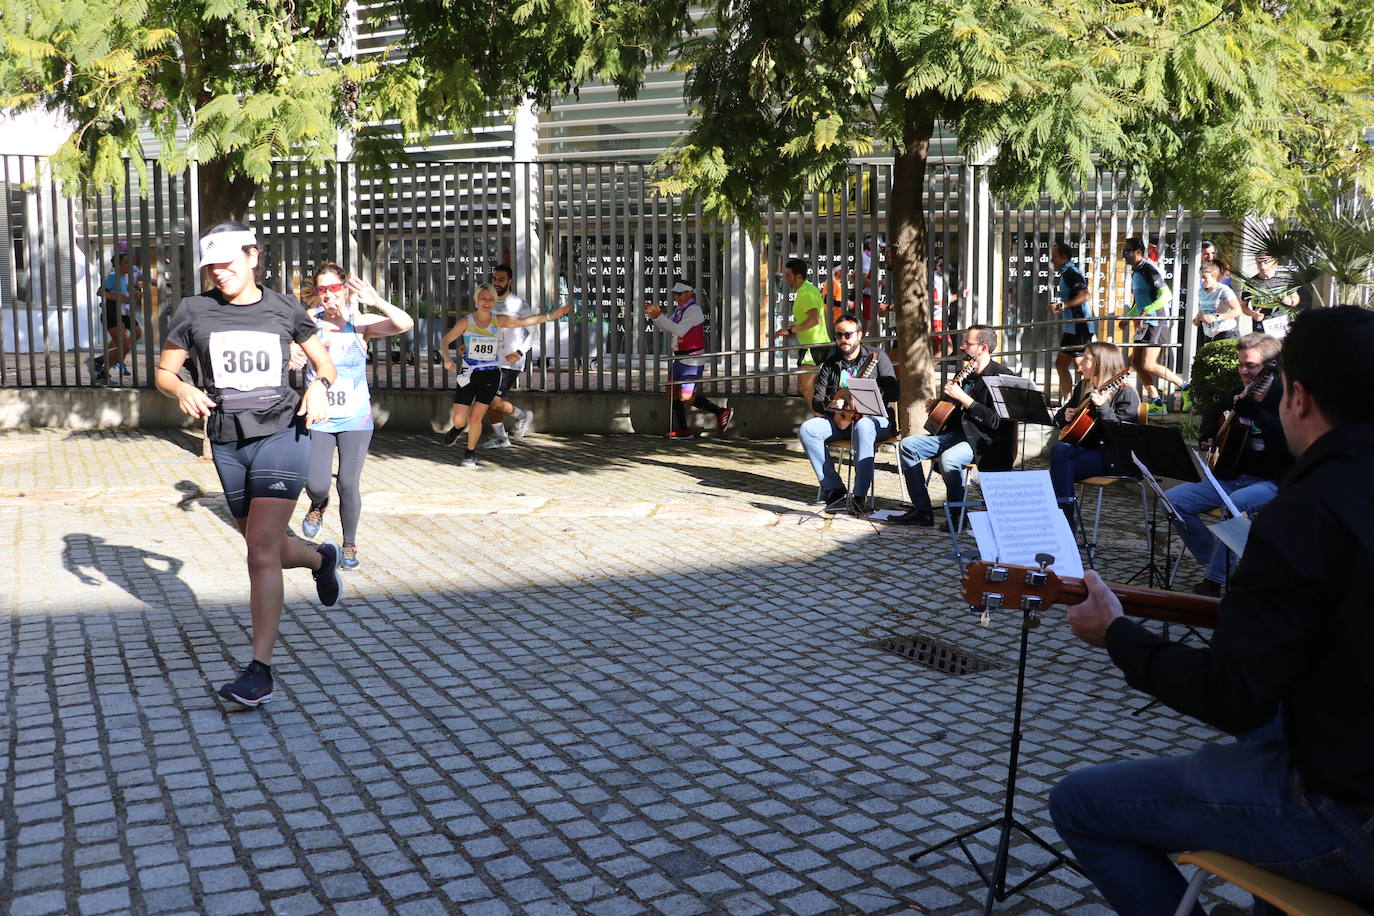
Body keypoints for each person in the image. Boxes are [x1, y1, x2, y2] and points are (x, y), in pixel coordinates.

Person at [1049, 305, 1374, 916]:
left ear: (1299, 398)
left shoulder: (1304, 517)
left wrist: (1117, 633)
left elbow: (1234, 696)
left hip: (1350, 813)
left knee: (1080, 804)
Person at [155, 222, 342, 709]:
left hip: (284, 433)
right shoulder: (194, 310)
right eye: (211, 266)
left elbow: (325, 364)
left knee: (258, 550)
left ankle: (259, 671)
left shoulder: (283, 307)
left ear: (253, 256)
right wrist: (184, 389)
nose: (220, 273)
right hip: (226, 443)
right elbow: (164, 371)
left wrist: (319, 386)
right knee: (267, 546)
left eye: (228, 263)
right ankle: (321, 558)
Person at [295, 263, 413, 572]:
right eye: (322, 290)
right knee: (317, 484)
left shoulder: (360, 323)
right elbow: (292, 350)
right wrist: (293, 355)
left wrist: (378, 301)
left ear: (345, 289)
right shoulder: (309, 322)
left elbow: (404, 324)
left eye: (334, 288)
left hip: (356, 419)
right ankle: (318, 504)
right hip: (320, 416)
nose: (329, 296)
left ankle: (349, 544)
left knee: (348, 483)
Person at [1165, 332, 1289, 597]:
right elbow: (1212, 416)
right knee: (1173, 500)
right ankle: (1214, 560)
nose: (1243, 371)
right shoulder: (1237, 393)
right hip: (1231, 476)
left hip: (1272, 481)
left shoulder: (1285, 398)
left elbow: (1286, 440)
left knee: (1237, 503)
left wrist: (1256, 414)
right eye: (1241, 365)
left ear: (1270, 367)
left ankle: (1214, 580)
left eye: (1251, 366)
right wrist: (1207, 435)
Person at [890, 324, 1017, 527]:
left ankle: (958, 516)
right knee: (908, 445)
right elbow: (955, 414)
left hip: (983, 440)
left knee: (949, 459)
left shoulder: (1002, 377)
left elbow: (996, 422)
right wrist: (938, 407)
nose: (962, 347)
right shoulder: (965, 373)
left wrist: (965, 399)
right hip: (957, 435)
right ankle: (922, 511)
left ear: (983, 348)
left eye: (967, 343)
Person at [441, 283, 569, 465]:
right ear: (476, 300)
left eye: (491, 299)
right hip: (468, 375)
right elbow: (445, 341)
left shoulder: (498, 320)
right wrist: (447, 359)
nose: (487, 302)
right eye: (483, 298)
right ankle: (458, 428)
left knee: (476, 417)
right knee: (460, 420)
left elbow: (525, 322)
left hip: (491, 374)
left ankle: (470, 453)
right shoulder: (466, 322)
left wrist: (550, 316)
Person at [797, 313, 899, 514]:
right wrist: (834, 403)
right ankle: (834, 489)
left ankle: (859, 496)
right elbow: (817, 400)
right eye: (838, 335)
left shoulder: (878, 358)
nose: (842, 339)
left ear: (859, 335)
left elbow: (894, 391)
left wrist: (867, 396)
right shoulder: (831, 363)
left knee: (863, 426)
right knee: (808, 429)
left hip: (875, 422)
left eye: (848, 334)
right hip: (841, 421)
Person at [1048, 342, 1139, 528]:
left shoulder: (1125, 393)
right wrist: (1065, 416)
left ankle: (1062, 518)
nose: (1080, 363)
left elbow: (1123, 435)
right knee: (1060, 453)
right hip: (1084, 452)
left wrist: (1103, 407)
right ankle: (1064, 517)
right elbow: (1060, 417)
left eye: (1087, 358)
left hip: (1111, 457)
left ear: (1100, 363)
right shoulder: (1083, 387)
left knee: (1059, 463)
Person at [646, 279, 732, 438]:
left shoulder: (694, 310)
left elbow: (679, 330)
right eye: (674, 294)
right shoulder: (680, 309)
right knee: (672, 391)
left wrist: (660, 316)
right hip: (679, 358)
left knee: (686, 397)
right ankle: (683, 430)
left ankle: (720, 412)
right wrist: (656, 318)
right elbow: (668, 327)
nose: (676, 297)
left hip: (692, 360)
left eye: (679, 293)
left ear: (689, 293)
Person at [1119, 236, 1185, 416]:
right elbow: (1137, 303)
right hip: (1145, 324)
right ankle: (1156, 401)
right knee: (1137, 364)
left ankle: (1186, 387)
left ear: (1138, 252)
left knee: (1147, 363)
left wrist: (1147, 310)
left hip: (1157, 322)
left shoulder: (1148, 269)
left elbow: (1166, 296)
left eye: (1126, 251)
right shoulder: (1136, 271)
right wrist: (1127, 318)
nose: (1123, 255)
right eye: (1122, 251)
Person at [478, 264, 539, 449]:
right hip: (488, 360)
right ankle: (502, 438)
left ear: (510, 281)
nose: (497, 283)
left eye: (501, 280)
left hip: (510, 363)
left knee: (491, 400)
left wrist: (519, 352)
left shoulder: (519, 305)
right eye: (495, 279)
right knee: (485, 400)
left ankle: (522, 416)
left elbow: (534, 333)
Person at [774, 258, 831, 407]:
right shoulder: (807, 290)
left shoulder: (806, 292)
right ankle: (823, 418)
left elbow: (814, 320)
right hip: (813, 345)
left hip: (814, 346)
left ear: (798, 276)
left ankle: (822, 420)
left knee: (805, 387)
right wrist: (791, 330)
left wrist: (792, 329)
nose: (786, 278)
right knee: (809, 387)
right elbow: (812, 318)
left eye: (788, 275)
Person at [90, 241, 144, 383]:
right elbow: (100, 292)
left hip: (123, 312)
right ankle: (102, 367)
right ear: (119, 264)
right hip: (112, 312)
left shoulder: (125, 278)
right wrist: (118, 297)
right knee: (124, 346)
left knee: (137, 334)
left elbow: (125, 297)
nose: (129, 265)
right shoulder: (113, 277)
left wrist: (134, 297)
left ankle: (101, 361)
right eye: (126, 263)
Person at [1049, 242, 1094, 400]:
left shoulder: (1071, 273)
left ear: (1064, 257)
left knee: (1081, 367)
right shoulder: (1066, 272)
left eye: (1054, 257)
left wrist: (1061, 306)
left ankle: (1087, 400)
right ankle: (1069, 400)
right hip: (1073, 327)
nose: (1051, 260)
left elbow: (1084, 295)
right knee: (1062, 364)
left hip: (1080, 326)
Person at [1241, 253, 1302, 323]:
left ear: (1274, 262)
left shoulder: (1285, 279)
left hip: (1283, 323)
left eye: (1266, 262)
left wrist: (1291, 301)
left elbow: (1295, 297)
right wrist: (1252, 313)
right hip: (1261, 326)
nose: (1262, 266)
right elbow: (1243, 305)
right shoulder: (1250, 283)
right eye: (1259, 262)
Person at [1193, 262, 1244, 343]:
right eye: (1201, 277)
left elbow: (1237, 311)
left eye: (1205, 277)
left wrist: (1216, 317)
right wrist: (1197, 318)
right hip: (1209, 334)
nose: (1202, 280)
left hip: (1226, 333)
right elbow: (1203, 308)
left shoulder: (1224, 290)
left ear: (1214, 275)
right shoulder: (1201, 291)